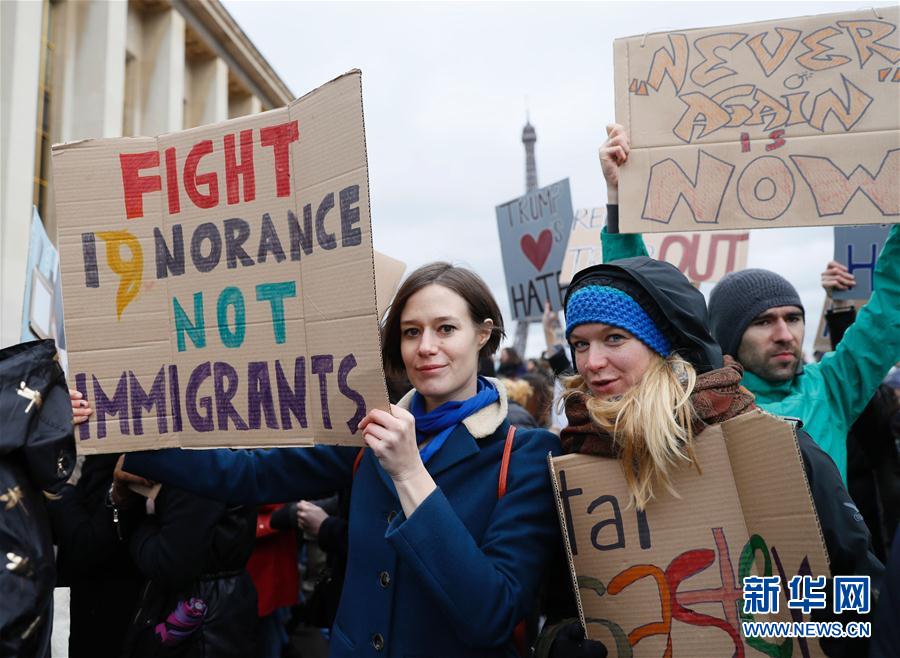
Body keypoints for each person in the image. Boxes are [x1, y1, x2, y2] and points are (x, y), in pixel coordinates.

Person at [123, 262, 562, 658]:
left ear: (483, 334)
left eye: (446, 328)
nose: (426, 346)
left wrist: (409, 473)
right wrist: (123, 432)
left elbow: (491, 616)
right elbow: (249, 473)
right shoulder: (365, 433)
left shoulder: (523, 455)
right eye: (411, 332)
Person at [536, 176, 883, 658]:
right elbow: (557, 605)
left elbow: (864, 597)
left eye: (615, 339)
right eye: (580, 344)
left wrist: (780, 614)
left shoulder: (775, 444)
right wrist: (561, 643)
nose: (592, 362)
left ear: (662, 346)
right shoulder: (570, 461)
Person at [593, 123, 900, 483]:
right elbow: (636, 302)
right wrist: (620, 196)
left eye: (793, 317)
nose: (785, 334)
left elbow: (890, 307)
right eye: (763, 322)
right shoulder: (698, 403)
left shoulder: (832, 388)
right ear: (728, 335)